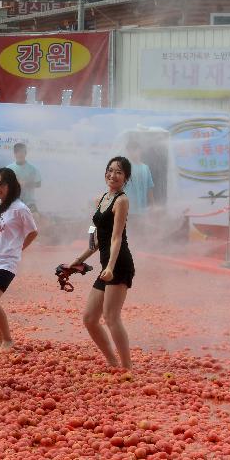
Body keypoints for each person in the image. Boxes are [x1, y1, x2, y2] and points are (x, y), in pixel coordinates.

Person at [67, 156, 135, 371]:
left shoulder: (122, 201)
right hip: (107, 264)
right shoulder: (101, 199)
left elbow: (116, 238)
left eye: (118, 172)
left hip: (118, 263)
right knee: (89, 318)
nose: (112, 175)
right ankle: (113, 362)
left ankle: (127, 368)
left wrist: (110, 267)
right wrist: (77, 262)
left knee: (111, 317)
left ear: (125, 178)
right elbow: (95, 239)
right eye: (110, 170)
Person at [0, 168, 38, 353]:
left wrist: (18, 248)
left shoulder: (20, 208)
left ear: (11, 185)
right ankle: (0, 340)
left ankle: (8, 339)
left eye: (1, 184)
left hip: (6, 262)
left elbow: (33, 232)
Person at [6, 143, 42, 213]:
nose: (20, 154)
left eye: (22, 152)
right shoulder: (8, 168)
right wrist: (16, 183)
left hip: (29, 203)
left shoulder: (33, 169)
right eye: (17, 152)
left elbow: (38, 184)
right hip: (13, 202)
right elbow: (5, 185)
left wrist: (27, 183)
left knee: (36, 221)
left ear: (25, 153)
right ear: (14, 153)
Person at [124, 141, 154, 214]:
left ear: (140, 150)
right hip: (127, 210)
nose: (132, 153)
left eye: (134, 149)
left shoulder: (145, 168)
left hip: (142, 210)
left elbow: (149, 188)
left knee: (140, 225)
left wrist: (153, 205)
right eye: (129, 150)